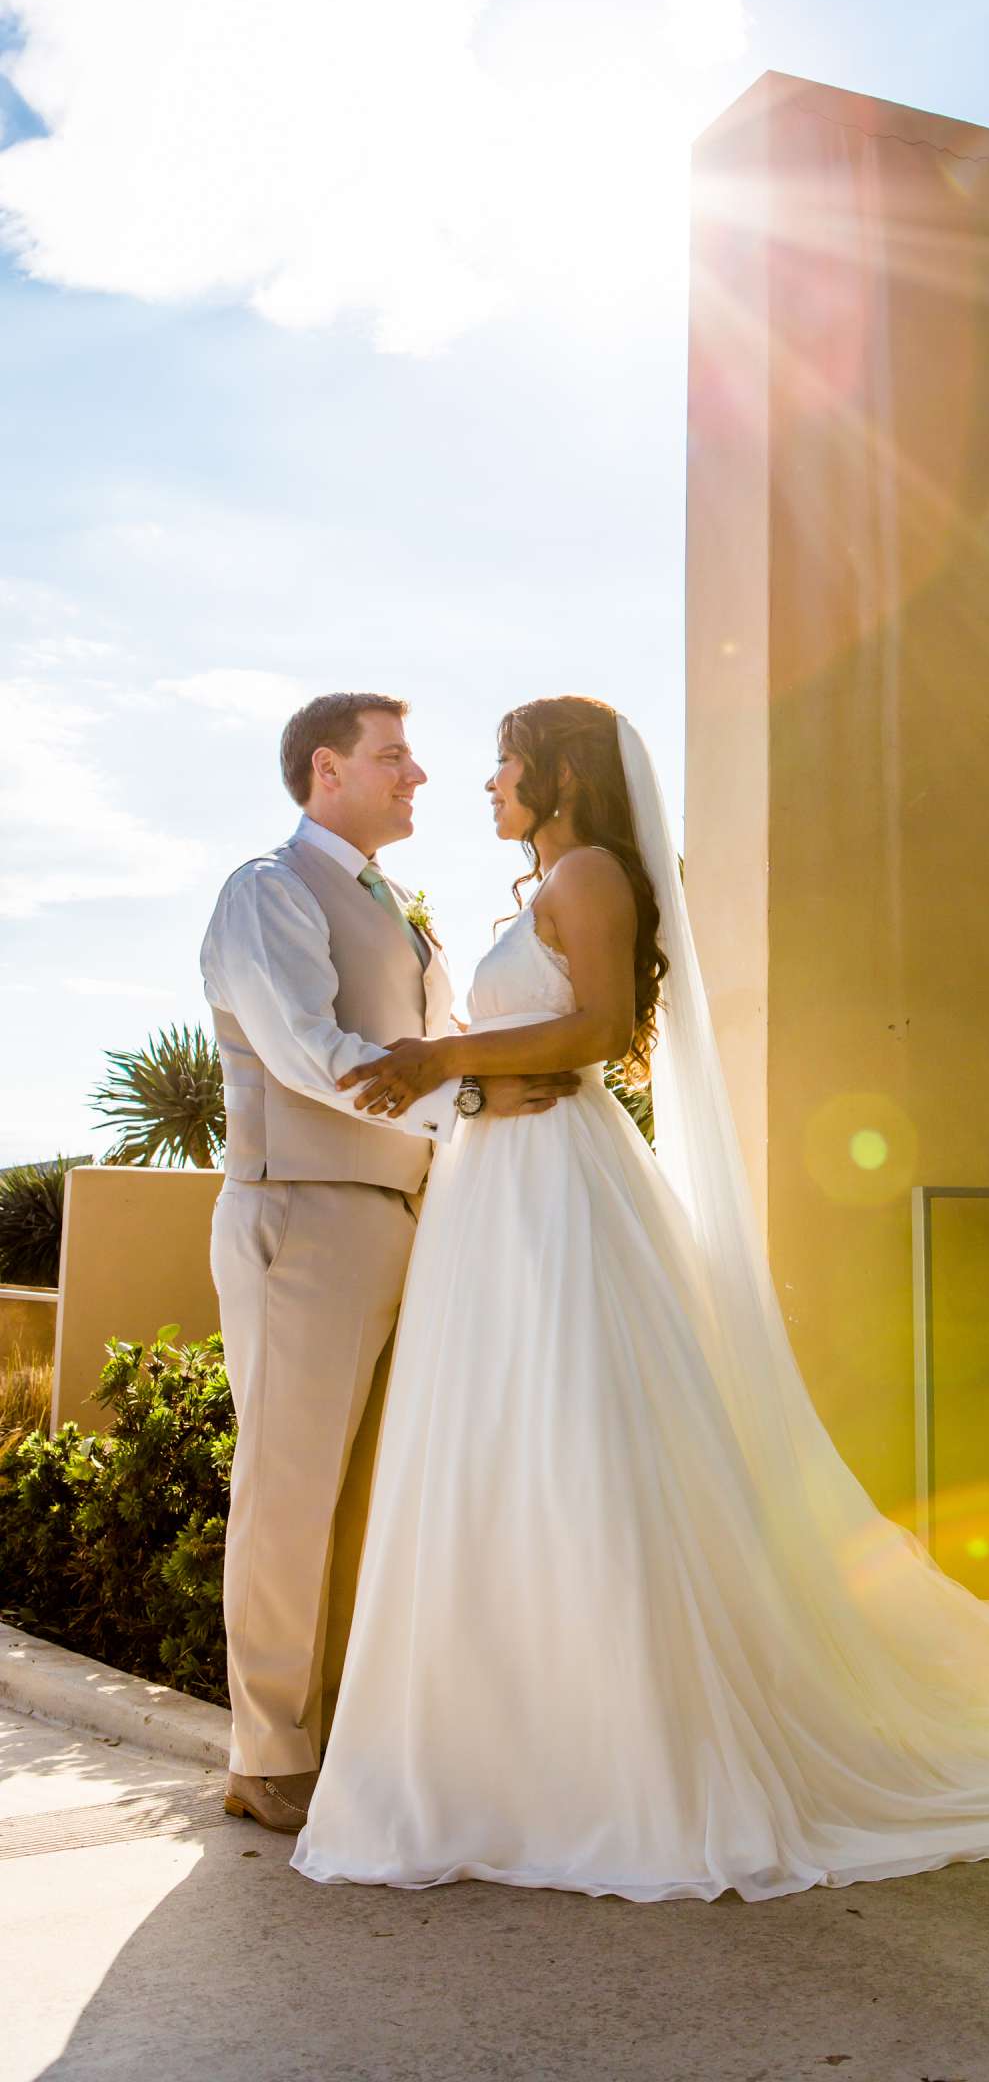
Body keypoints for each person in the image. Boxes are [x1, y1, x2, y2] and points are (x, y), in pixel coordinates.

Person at [293, 694, 989, 1899]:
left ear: (561, 773)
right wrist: (465, 1078)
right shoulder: (549, 882)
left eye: (504, 761)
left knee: (581, 1437)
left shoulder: (594, 876)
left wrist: (448, 1058)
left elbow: (603, 1027)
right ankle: (499, 1747)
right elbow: (538, 1038)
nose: (486, 782)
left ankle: (617, 1753)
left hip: (560, 1193)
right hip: (500, 1191)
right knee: (501, 1447)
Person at [199, 691, 573, 1833]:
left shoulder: (399, 909)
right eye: (394, 757)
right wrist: (469, 1094)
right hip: (303, 1215)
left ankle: (345, 1738)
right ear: (327, 768)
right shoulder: (266, 890)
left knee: (375, 1496)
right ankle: (267, 1755)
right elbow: (314, 1056)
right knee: (292, 1489)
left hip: (410, 1216)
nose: (418, 777)